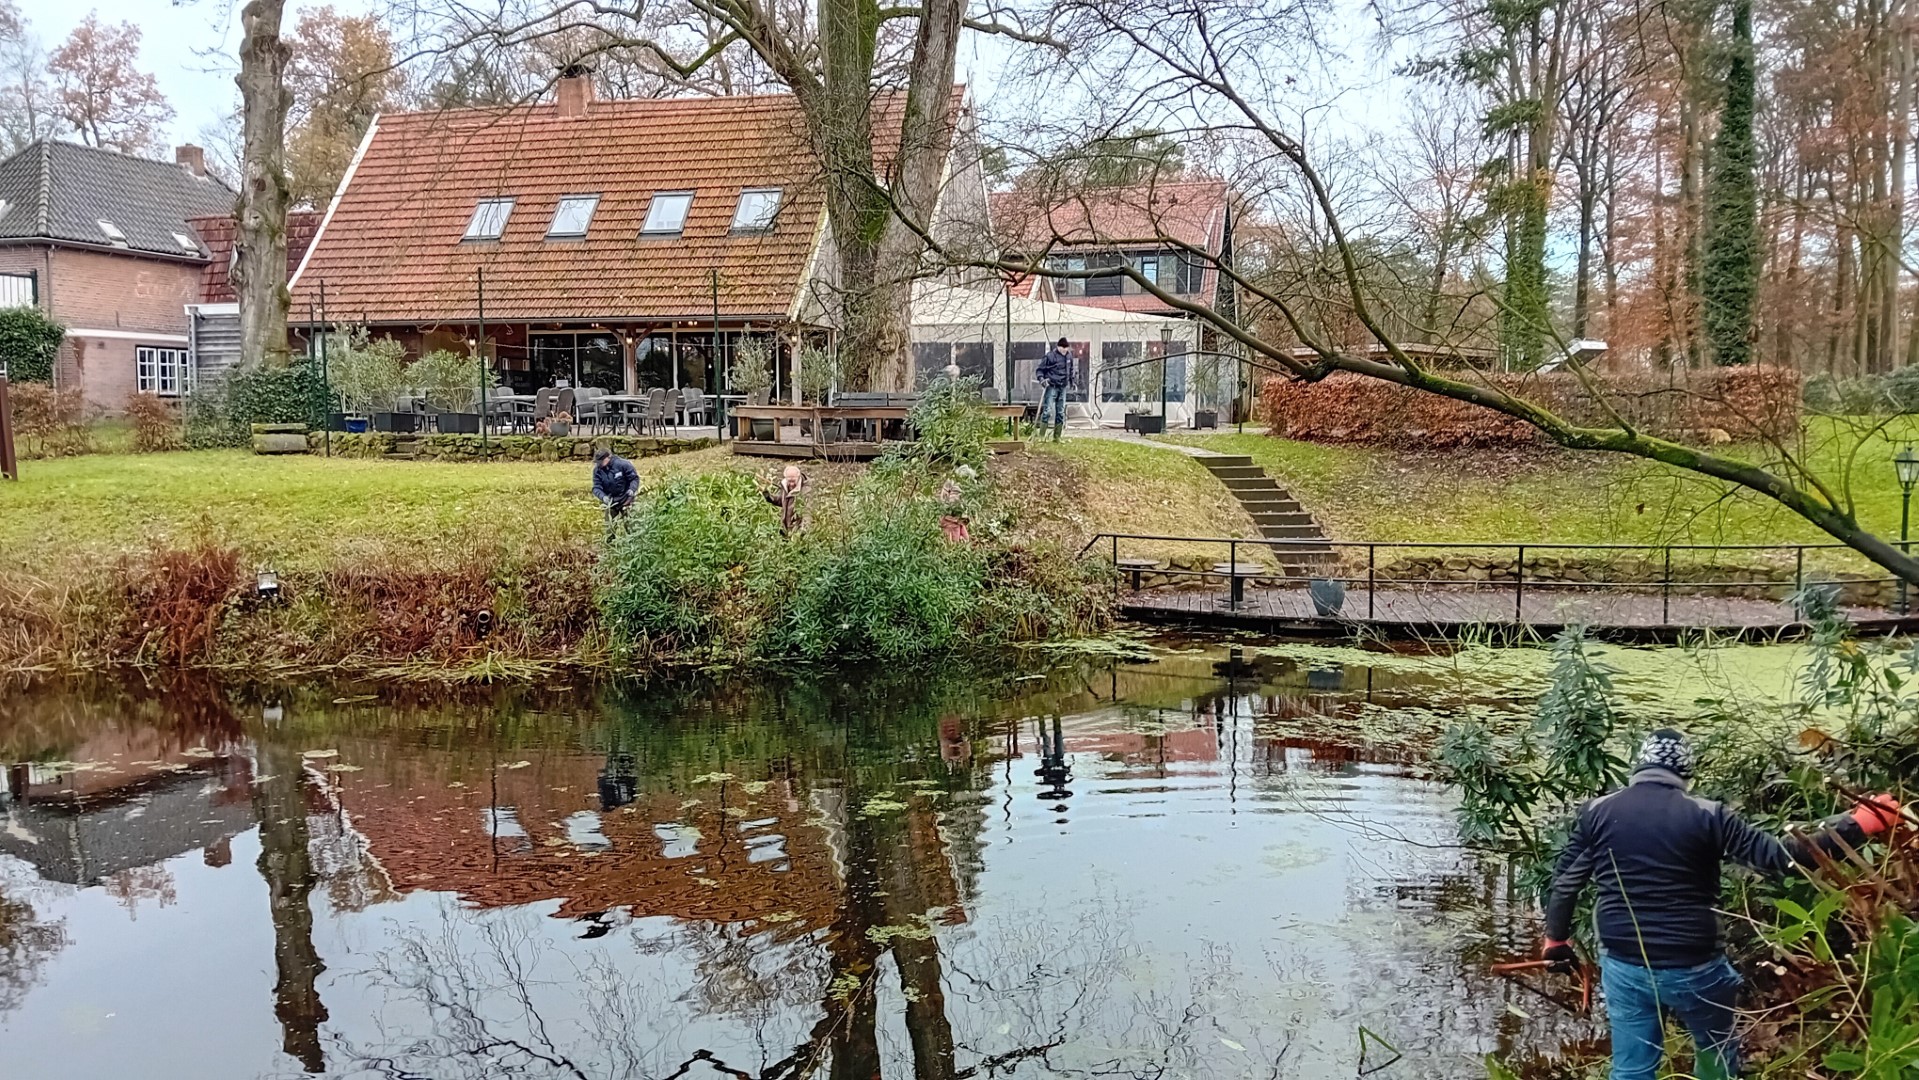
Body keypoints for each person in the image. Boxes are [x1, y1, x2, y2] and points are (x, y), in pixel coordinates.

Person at [1542, 728, 1902, 1080]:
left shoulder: (1598, 811)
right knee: (1716, 1056)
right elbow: (1779, 857)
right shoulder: (1708, 814)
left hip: (1623, 963)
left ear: (1638, 767)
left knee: (1632, 1069)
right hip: (1693, 963)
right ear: (1685, 773)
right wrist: (1858, 823)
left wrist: (1555, 941)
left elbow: (1565, 881)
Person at [592, 447, 640, 531]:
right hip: (611, 503)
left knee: (631, 528)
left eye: (601, 461)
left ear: (608, 458)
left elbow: (634, 478)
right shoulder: (597, 471)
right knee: (609, 530)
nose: (599, 464)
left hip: (626, 500)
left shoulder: (623, 464)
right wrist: (603, 497)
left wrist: (632, 490)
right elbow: (596, 487)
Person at [1036, 337, 1073, 442]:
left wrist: (1072, 381)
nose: (1064, 350)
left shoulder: (1069, 356)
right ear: (1058, 347)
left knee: (1060, 412)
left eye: (1066, 348)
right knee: (1047, 411)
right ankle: (1041, 437)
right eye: (1062, 348)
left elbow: (1071, 370)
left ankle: (1057, 437)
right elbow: (1039, 370)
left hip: (1063, 387)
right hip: (1051, 386)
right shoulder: (1049, 356)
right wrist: (1042, 380)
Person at [764, 464, 805, 534]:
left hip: (796, 530)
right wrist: (769, 497)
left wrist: (804, 530)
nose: (791, 484)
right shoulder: (785, 486)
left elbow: (808, 512)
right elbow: (782, 501)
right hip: (785, 528)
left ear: (798, 477)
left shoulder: (805, 490)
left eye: (793, 481)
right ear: (786, 478)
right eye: (789, 481)